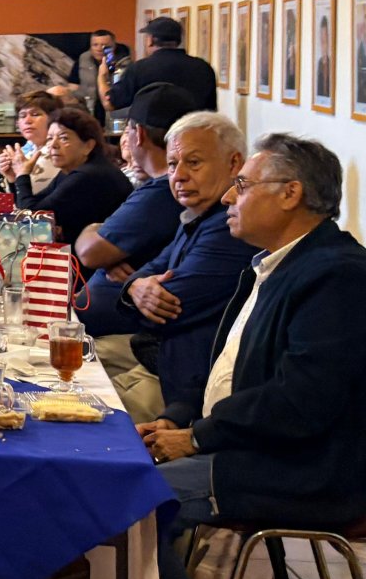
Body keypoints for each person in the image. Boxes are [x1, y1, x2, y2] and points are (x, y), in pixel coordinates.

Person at [135, 134, 366, 579]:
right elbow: (226, 372)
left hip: (304, 469)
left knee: (132, 503)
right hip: (252, 446)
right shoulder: (277, 265)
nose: (229, 198)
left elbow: (301, 400)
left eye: (242, 185)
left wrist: (198, 438)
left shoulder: (338, 276)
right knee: (120, 471)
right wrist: (177, 419)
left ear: (291, 194)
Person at [82, 112, 254, 423]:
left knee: (75, 418)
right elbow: (146, 273)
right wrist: (135, 285)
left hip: (178, 383)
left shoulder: (229, 229)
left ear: (234, 164)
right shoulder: (196, 216)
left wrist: (133, 288)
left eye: (194, 163)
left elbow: (169, 307)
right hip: (152, 357)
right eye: (173, 164)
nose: (179, 176)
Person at [73, 84, 189, 285]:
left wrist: (92, 229)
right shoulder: (163, 185)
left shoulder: (159, 193)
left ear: (139, 134)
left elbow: (89, 253)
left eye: (128, 130)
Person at [12, 106, 131, 243]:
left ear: (88, 146)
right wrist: (14, 179)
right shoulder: (71, 170)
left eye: (63, 138)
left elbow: (34, 219)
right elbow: (34, 204)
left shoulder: (88, 175)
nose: (53, 145)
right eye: (49, 139)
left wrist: (22, 174)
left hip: (105, 254)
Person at [103, 17, 216, 114]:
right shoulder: (203, 68)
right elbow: (210, 111)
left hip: (152, 132)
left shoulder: (139, 69)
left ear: (151, 40)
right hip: (192, 130)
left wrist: (102, 77)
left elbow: (110, 104)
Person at [0, 91, 64, 196]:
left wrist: (20, 175)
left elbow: (34, 197)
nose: (27, 120)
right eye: (22, 116)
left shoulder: (56, 152)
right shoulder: (30, 151)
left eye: (35, 114)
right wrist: (12, 178)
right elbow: (20, 200)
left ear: (54, 118)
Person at [67, 29, 132, 120]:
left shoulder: (125, 64)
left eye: (105, 46)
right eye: (95, 45)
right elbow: (72, 87)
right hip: (88, 112)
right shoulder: (82, 60)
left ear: (114, 46)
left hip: (116, 113)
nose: (99, 49)